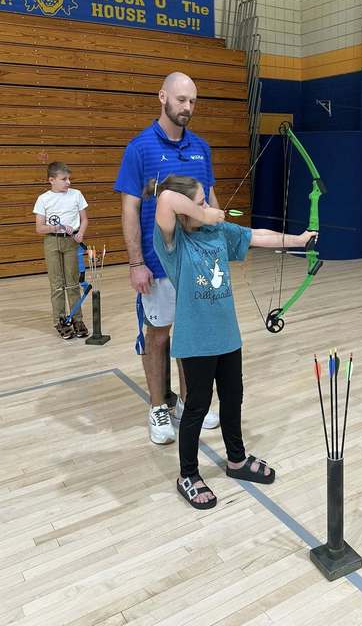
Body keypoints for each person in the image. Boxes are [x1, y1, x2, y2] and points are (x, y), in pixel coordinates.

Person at [149, 174, 317, 509]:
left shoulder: (218, 233)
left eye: (207, 202)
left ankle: (237, 461)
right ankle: (188, 474)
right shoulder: (173, 241)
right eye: (200, 203)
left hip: (227, 336)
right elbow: (166, 198)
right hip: (196, 341)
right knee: (196, 406)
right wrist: (205, 214)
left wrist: (298, 240)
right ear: (187, 212)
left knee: (233, 398)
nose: (209, 207)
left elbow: (257, 236)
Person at [114, 72, 220, 445]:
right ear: (162, 97)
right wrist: (135, 263)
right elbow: (129, 209)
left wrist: (216, 251)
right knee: (159, 336)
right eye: (180, 100)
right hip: (157, 265)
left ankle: (189, 403)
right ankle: (158, 405)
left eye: (192, 100)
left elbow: (211, 203)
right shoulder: (139, 148)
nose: (187, 107)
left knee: (190, 338)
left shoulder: (201, 148)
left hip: (196, 266)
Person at [33, 161, 89, 339]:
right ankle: (60, 320)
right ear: (51, 180)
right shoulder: (43, 199)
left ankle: (77, 319)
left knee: (73, 283)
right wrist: (56, 228)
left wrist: (80, 232)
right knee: (57, 285)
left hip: (71, 243)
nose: (68, 182)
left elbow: (84, 220)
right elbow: (39, 228)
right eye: (64, 179)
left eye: (69, 179)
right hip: (52, 243)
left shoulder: (76, 195)